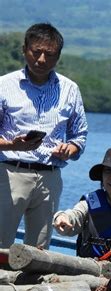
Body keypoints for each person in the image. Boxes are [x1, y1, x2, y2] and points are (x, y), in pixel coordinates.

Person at [0, 23, 87, 249]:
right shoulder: (4, 85)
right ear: (24, 50)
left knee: (38, 252)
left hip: (50, 176)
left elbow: (79, 136)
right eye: (35, 52)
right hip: (10, 172)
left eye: (49, 54)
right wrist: (11, 145)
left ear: (58, 56)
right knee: (1, 244)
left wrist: (69, 149)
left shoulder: (70, 89)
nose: (41, 59)